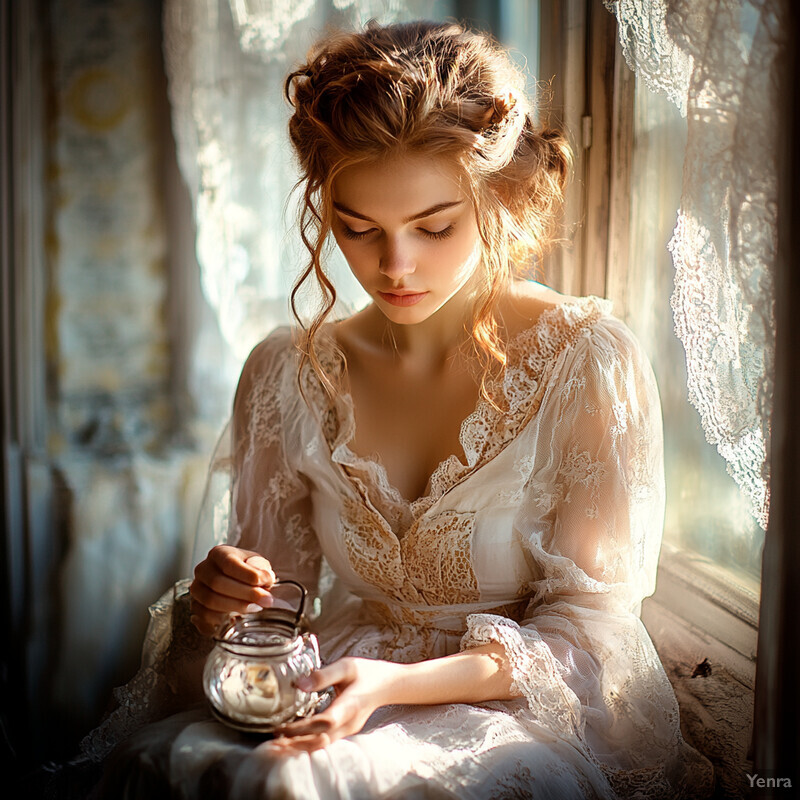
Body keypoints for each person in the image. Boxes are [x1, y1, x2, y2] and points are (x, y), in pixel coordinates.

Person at [84, 19, 715, 799]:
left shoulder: (587, 361)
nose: (394, 266)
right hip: (330, 690)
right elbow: (274, 608)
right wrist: (223, 606)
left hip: (499, 710)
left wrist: (393, 686)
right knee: (176, 766)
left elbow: (591, 639)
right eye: (357, 228)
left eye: (434, 226)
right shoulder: (288, 372)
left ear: (498, 197)